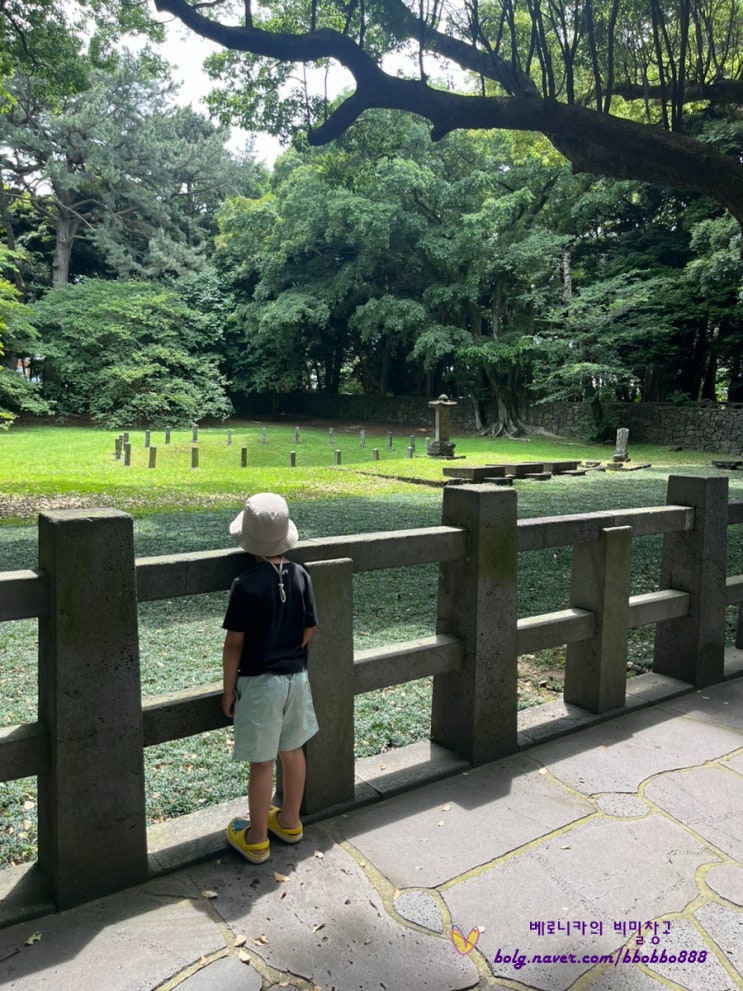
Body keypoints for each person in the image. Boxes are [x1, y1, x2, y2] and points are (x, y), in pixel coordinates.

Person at [221, 492, 318, 864]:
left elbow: (234, 644)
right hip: (296, 679)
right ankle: (290, 822)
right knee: (292, 751)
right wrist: (288, 648)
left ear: (249, 543)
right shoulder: (301, 575)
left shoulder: (245, 584)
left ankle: (257, 838)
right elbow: (310, 628)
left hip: (260, 684)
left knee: (262, 762)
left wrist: (228, 690)